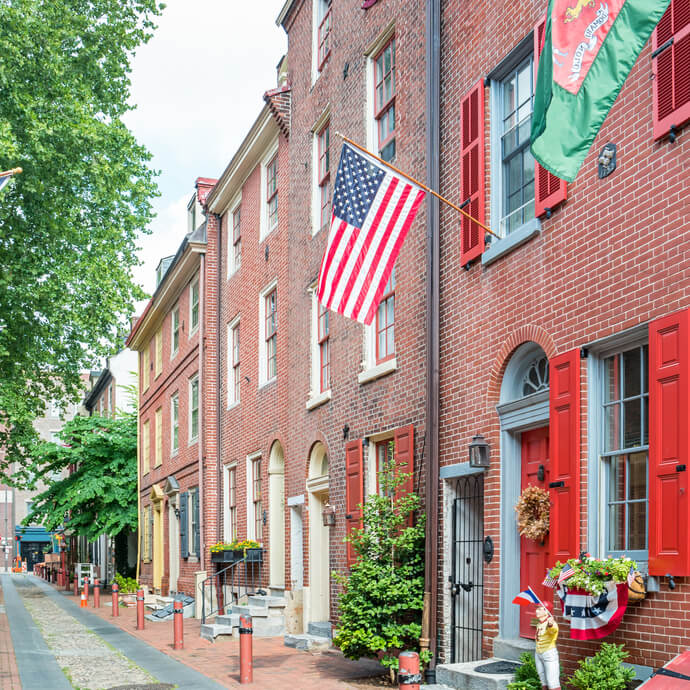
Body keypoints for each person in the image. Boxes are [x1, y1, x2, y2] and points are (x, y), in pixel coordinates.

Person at [535, 600, 560, 690]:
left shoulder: (551, 624)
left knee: (552, 681)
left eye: (540, 609)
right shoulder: (539, 624)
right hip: (538, 653)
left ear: (546, 611)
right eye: (537, 608)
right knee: (542, 680)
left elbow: (552, 630)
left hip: (549, 653)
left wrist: (550, 624)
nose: (537, 611)